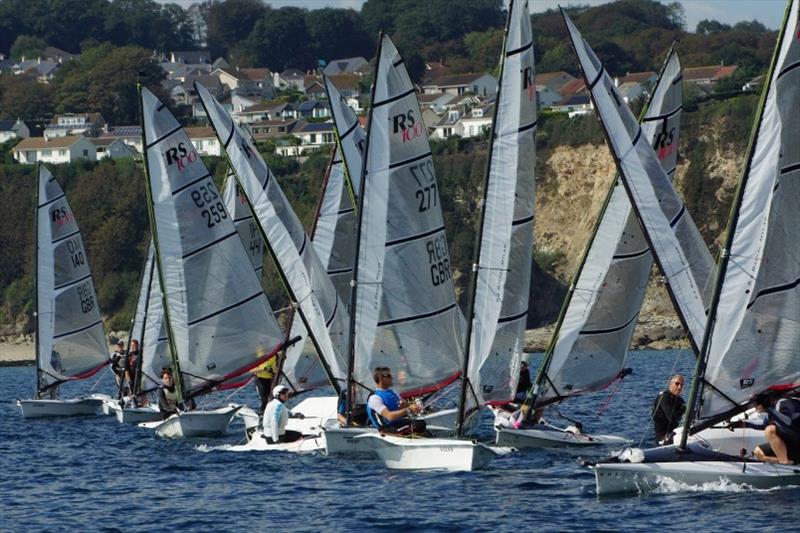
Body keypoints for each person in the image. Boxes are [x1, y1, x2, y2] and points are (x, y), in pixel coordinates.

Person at [734, 394, 800, 465]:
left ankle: (784, 462)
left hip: (797, 443)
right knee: (758, 452)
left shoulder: (783, 403)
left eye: (755, 405)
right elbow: (763, 424)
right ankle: (792, 462)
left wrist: (768, 408)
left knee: (770, 430)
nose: (754, 408)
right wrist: (741, 423)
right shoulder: (771, 410)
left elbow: (787, 423)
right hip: (793, 446)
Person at [365, 367, 426, 436]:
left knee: (421, 423)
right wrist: (408, 409)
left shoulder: (394, 393)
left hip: (398, 424)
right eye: (389, 376)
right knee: (419, 425)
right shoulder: (374, 398)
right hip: (386, 429)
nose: (392, 378)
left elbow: (404, 406)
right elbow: (389, 416)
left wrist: (412, 407)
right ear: (381, 379)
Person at [651, 374, 686, 445]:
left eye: (682, 385)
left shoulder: (680, 400)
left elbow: (686, 412)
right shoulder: (664, 398)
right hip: (663, 438)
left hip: (676, 433)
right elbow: (671, 416)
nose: (679, 387)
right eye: (677, 384)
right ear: (670, 384)